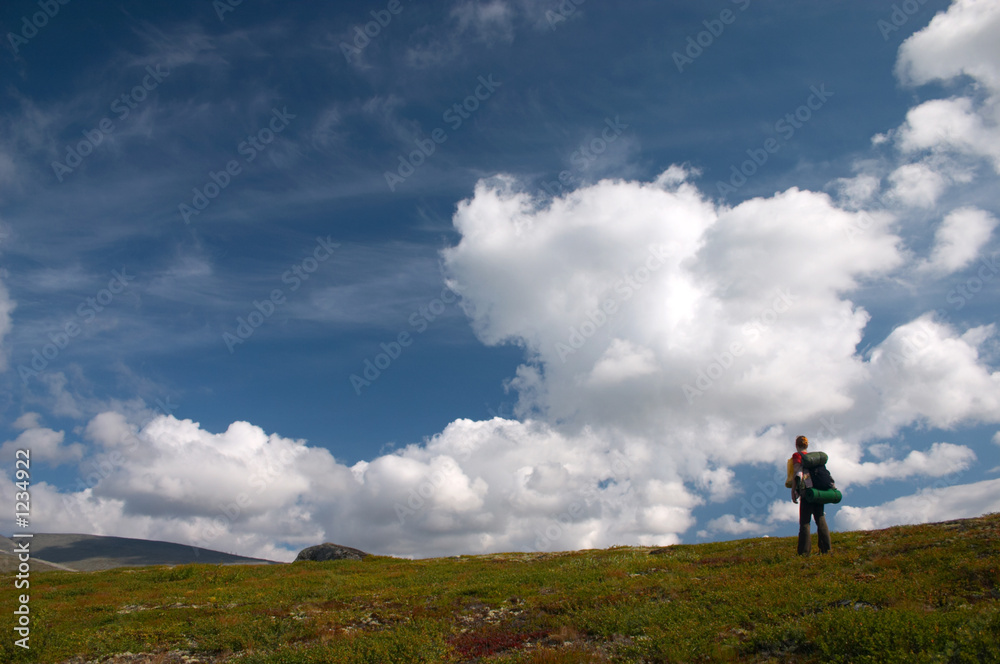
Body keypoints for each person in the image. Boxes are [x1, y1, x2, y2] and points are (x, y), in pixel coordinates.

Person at [785, 435, 831, 555]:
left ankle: (804, 552)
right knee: (820, 519)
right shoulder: (814, 458)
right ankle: (826, 550)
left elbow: (797, 473)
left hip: (806, 491)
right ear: (807, 445)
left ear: (796, 445)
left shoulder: (797, 456)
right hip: (818, 491)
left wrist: (793, 490)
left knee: (805, 522)